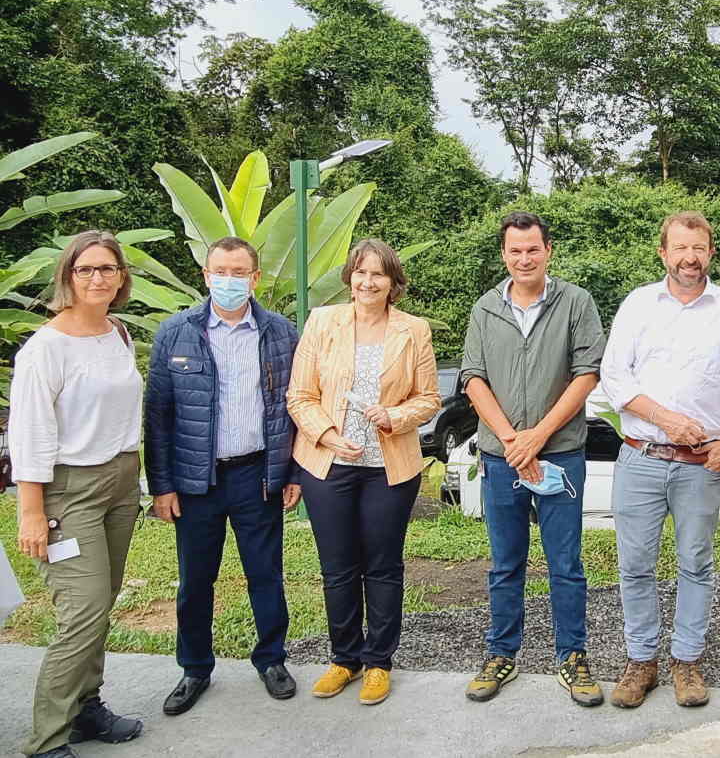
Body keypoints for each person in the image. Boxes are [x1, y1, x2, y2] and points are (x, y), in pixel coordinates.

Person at [600, 211, 720, 709]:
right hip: (642, 456)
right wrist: (667, 419)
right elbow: (616, 377)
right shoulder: (638, 305)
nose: (689, 257)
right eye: (679, 248)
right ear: (663, 253)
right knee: (635, 565)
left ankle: (687, 661)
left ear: (710, 252)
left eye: (698, 248)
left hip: (703, 465)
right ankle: (641, 661)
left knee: (696, 563)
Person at [145, 236, 301, 716]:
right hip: (196, 482)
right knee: (196, 579)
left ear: (255, 278)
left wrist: (290, 472)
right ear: (205, 275)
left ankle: (271, 659)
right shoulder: (176, 333)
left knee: (265, 574)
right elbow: (158, 416)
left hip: (257, 475)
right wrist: (162, 485)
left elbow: (293, 408)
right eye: (220, 271)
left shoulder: (282, 333)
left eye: (239, 273)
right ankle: (194, 668)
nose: (228, 281)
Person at [459, 212, 606, 706]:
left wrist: (537, 438)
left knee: (566, 563)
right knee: (505, 563)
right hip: (501, 460)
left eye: (533, 250)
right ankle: (502, 654)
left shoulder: (575, 302)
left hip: (560, 454)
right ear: (504, 255)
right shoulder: (485, 308)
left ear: (548, 251)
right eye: (515, 251)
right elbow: (473, 378)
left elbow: (587, 373)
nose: (524, 259)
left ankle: (572, 656)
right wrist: (510, 440)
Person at [287, 238, 441, 707]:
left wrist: (395, 417)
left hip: (387, 468)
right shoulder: (322, 322)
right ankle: (344, 658)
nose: (367, 282)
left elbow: (430, 399)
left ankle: (379, 662)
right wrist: (328, 435)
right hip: (329, 462)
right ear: (349, 278)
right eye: (359, 273)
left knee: (382, 565)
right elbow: (300, 395)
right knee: (337, 567)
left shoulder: (413, 330)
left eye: (378, 274)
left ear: (394, 283)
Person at [10, 231, 144, 758]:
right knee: (83, 610)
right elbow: (31, 435)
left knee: (102, 602)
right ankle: (47, 738)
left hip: (120, 482)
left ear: (121, 277)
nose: (97, 278)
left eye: (107, 269)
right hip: (70, 491)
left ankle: (87, 707)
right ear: (68, 276)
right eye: (85, 269)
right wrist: (32, 511)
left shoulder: (119, 333)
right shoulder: (45, 349)